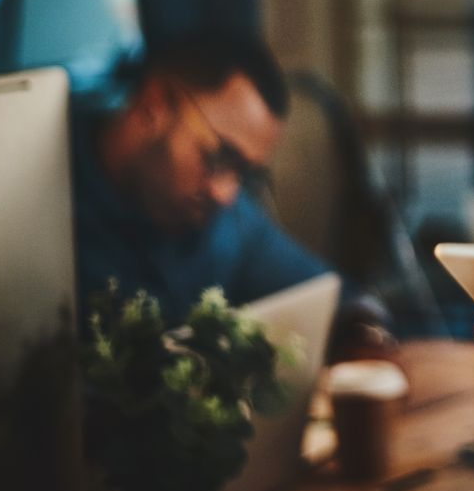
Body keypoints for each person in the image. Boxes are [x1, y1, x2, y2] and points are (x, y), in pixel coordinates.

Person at [72, 34, 394, 358]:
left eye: (245, 173)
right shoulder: (51, 210)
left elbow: (339, 299)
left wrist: (365, 331)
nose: (225, 194)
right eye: (219, 157)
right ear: (153, 104)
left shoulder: (227, 222)